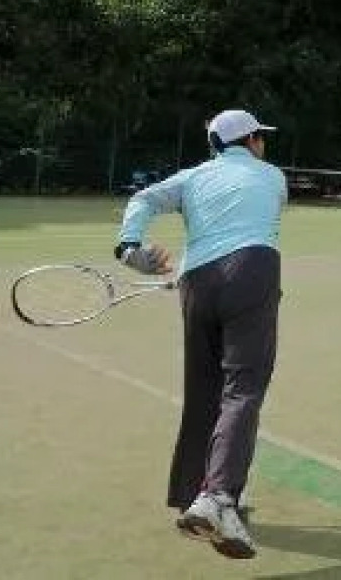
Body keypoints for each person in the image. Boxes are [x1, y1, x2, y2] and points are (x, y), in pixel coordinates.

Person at [114, 108, 287, 560]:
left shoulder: (192, 178)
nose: (263, 143)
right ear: (250, 141)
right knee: (242, 391)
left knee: (204, 394)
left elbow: (144, 199)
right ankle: (219, 498)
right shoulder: (272, 177)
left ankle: (199, 494)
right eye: (260, 136)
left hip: (198, 282)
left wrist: (130, 247)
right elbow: (246, 232)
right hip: (252, 272)